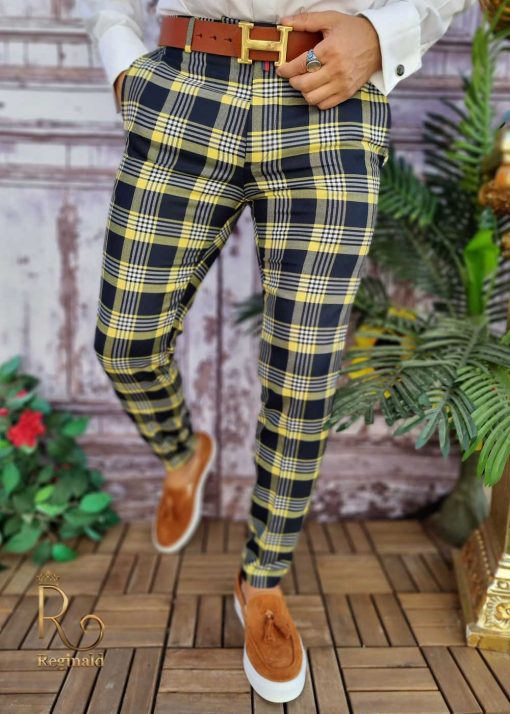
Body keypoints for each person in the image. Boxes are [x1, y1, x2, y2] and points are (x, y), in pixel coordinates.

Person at [79, 0, 476, 703]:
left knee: (303, 376)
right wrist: (121, 61)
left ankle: (261, 580)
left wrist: (380, 37)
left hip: (329, 94)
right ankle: (182, 453)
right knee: (125, 341)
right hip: (186, 82)